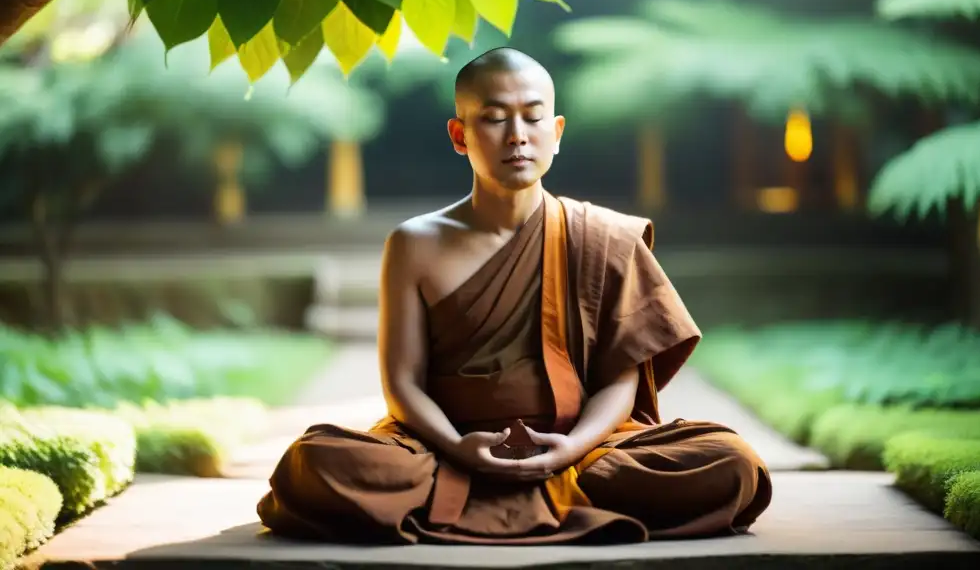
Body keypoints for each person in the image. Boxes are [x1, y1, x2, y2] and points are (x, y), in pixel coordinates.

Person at [256, 48, 772, 545]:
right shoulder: (415, 244)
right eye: (495, 118)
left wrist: (569, 447)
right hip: (444, 447)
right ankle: (554, 501)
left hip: (578, 450)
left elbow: (622, 382)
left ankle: (536, 489)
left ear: (557, 132)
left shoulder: (601, 236)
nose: (518, 136)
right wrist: (459, 447)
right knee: (315, 462)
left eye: (533, 117)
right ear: (460, 135)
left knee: (731, 463)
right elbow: (403, 384)